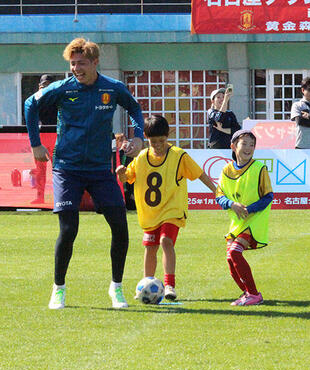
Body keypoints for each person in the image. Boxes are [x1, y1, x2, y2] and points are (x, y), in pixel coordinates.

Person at [24, 38, 145, 310]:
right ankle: (59, 289)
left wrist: (138, 137)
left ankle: (116, 288)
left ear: (94, 62)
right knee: (68, 231)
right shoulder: (62, 89)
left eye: (81, 63)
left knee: (120, 227)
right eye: (72, 63)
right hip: (67, 169)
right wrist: (35, 143)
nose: (76, 68)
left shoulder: (112, 88)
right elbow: (31, 105)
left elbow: (134, 108)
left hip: (101, 170)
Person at [116, 115, 217, 301]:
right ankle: (146, 285)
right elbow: (126, 179)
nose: (158, 145)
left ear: (168, 136)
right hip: (150, 214)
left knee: (165, 241)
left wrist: (216, 191)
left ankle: (169, 285)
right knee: (150, 248)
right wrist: (121, 173)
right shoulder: (141, 158)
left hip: (172, 210)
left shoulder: (178, 155)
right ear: (146, 137)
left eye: (162, 140)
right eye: (153, 142)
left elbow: (200, 174)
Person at [215, 129, 273, 306]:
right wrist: (231, 204)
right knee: (230, 259)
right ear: (233, 146)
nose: (248, 148)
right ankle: (248, 293)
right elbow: (219, 195)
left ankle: (254, 294)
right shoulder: (226, 170)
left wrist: (250, 209)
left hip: (254, 220)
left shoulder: (259, 168)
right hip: (237, 221)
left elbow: (268, 196)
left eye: (252, 145)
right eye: (244, 144)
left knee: (235, 252)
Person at [30, 74, 58, 204]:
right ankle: (40, 196)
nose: (44, 88)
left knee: (58, 170)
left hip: (56, 139)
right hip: (41, 140)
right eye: (43, 86)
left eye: (47, 86)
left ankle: (60, 197)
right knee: (40, 170)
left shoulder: (58, 99)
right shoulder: (35, 100)